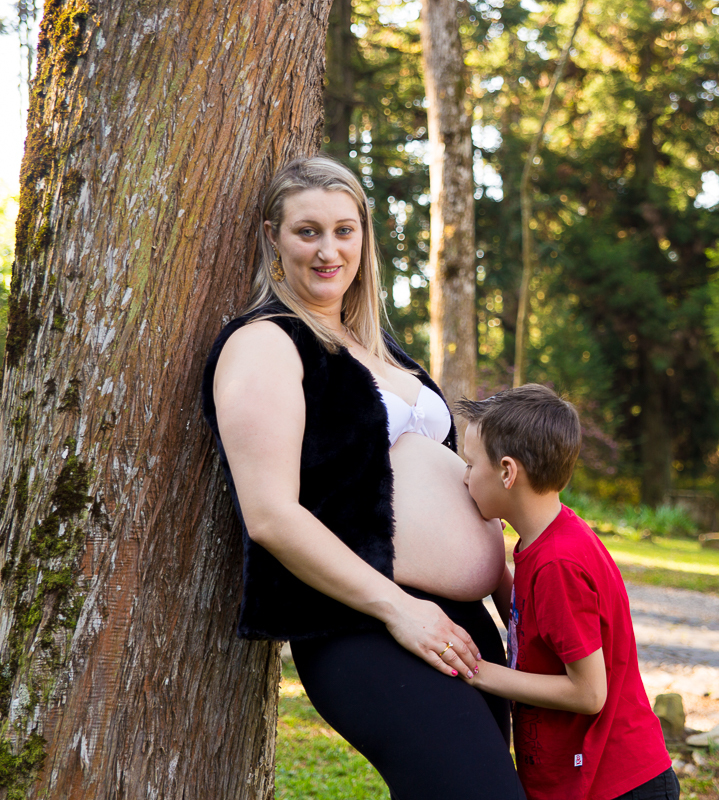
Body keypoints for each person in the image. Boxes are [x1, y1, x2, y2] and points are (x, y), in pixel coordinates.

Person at [201, 155, 524, 800]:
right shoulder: (265, 343)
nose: (329, 251)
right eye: (308, 232)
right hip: (368, 625)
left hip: (460, 624)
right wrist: (400, 611)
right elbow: (270, 515)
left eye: (344, 231)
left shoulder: (380, 349)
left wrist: (520, 597)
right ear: (273, 237)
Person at [455, 385, 678, 800]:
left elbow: (589, 693)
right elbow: (531, 623)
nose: (465, 477)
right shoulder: (547, 538)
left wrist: (478, 673)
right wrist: (493, 559)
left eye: (470, 464)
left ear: (507, 472)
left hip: (616, 785)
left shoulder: (559, 563)